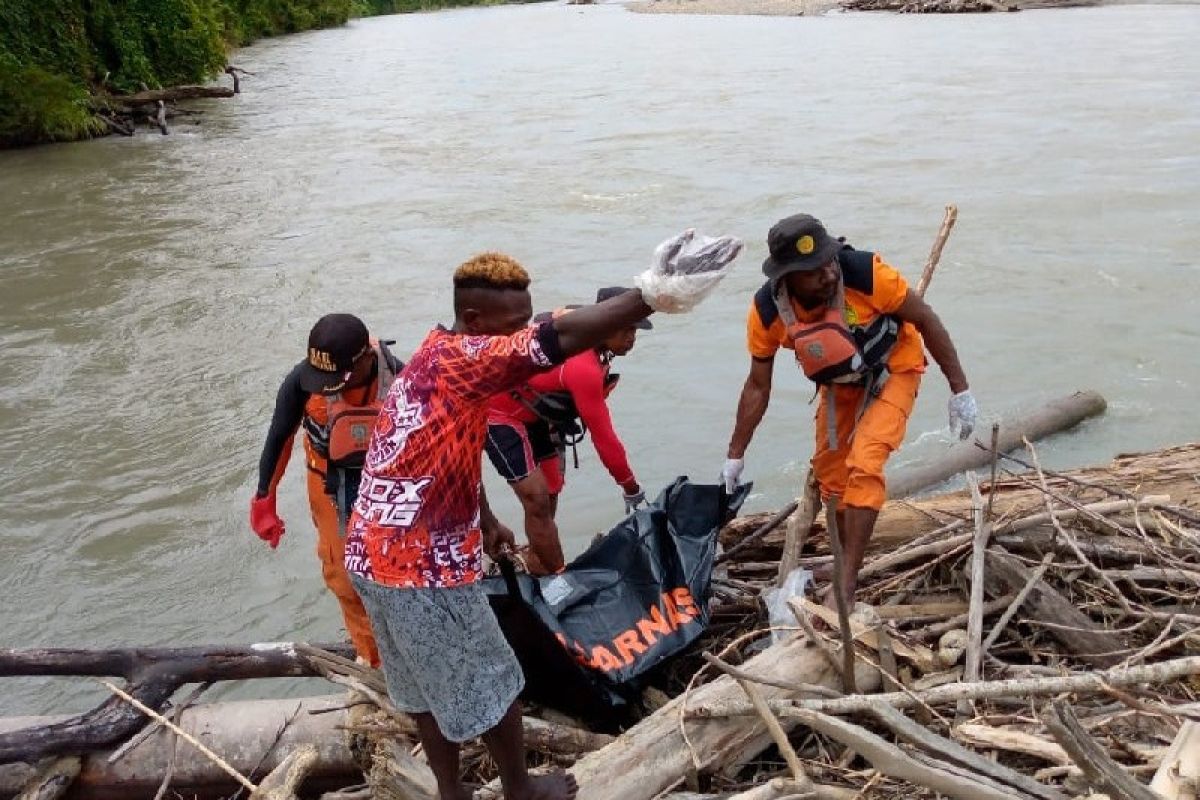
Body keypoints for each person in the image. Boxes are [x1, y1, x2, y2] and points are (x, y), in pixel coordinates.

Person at [344, 231, 741, 800]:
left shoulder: (434, 355)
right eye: (511, 324)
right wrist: (654, 293)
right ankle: (519, 790)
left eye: (525, 320)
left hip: (370, 552)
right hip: (417, 567)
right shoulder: (473, 358)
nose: (521, 335)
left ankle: (452, 792)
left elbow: (436, 448)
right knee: (497, 678)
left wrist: (482, 520)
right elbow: (558, 337)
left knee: (424, 689)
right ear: (474, 319)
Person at [721, 213, 976, 610]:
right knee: (832, 480)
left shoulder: (864, 273)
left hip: (895, 367)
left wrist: (960, 389)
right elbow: (757, 384)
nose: (826, 274)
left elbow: (924, 318)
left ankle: (846, 583)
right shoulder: (767, 313)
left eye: (828, 260)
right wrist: (735, 455)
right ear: (786, 277)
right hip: (840, 387)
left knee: (865, 464)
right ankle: (843, 559)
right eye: (812, 271)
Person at [250, 313, 403, 667]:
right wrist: (264, 498)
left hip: (391, 489)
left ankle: (409, 654)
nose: (325, 386)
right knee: (346, 580)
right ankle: (376, 663)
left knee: (396, 578)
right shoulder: (301, 382)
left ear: (367, 358)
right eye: (321, 378)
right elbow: (279, 437)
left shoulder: (402, 379)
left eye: (336, 379)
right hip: (328, 486)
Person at [484, 286, 651, 574]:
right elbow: (603, 435)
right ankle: (558, 578)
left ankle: (538, 562)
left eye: (636, 331)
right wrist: (631, 488)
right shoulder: (581, 366)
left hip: (535, 418)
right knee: (536, 500)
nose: (631, 338)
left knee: (550, 492)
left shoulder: (594, 344)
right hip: (498, 414)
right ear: (603, 323)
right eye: (626, 330)